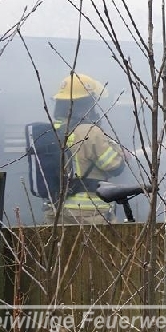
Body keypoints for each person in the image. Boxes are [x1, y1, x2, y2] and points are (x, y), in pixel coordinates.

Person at [43, 73, 127, 225]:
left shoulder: (51, 131)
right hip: (89, 214)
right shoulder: (90, 132)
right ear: (87, 104)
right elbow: (114, 167)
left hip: (55, 211)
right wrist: (122, 156)